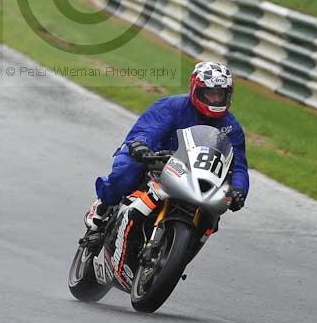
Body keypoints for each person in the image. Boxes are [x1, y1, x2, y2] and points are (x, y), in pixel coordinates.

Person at [84, 61, 249, 236]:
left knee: (212, 215)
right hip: (156, 161)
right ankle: (105, 203)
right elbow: (148, 130)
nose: (215, 99)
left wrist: (239, 189)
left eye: (220, 94)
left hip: (197, 176)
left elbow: (237, 164)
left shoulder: (232, 127)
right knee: (127, 169)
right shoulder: (171, 106)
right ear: (195, 89)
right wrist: (142, 145)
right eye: (210, 93)